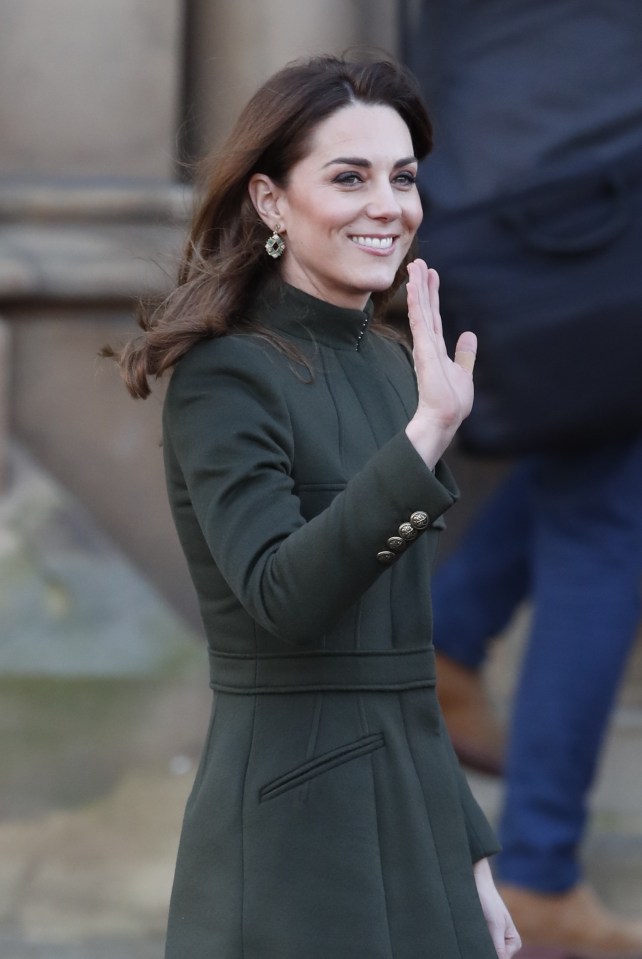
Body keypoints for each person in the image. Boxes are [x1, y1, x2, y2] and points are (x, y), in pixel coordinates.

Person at [104, 55, 521, 959]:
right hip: (294, 833)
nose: (389, 206)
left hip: (417, 823)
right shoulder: (224, 376)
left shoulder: (390, 363)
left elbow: (407, 670)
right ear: (269, 201)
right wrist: (426, 439)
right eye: (350, 176)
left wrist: (472, 857)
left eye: (403, 178)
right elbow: (280, 595)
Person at [403, 1, 642, 955]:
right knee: (608, 510)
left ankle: (448, 642)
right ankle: (536, 874)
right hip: (595, 204)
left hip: (501, 201)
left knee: (597, 459)